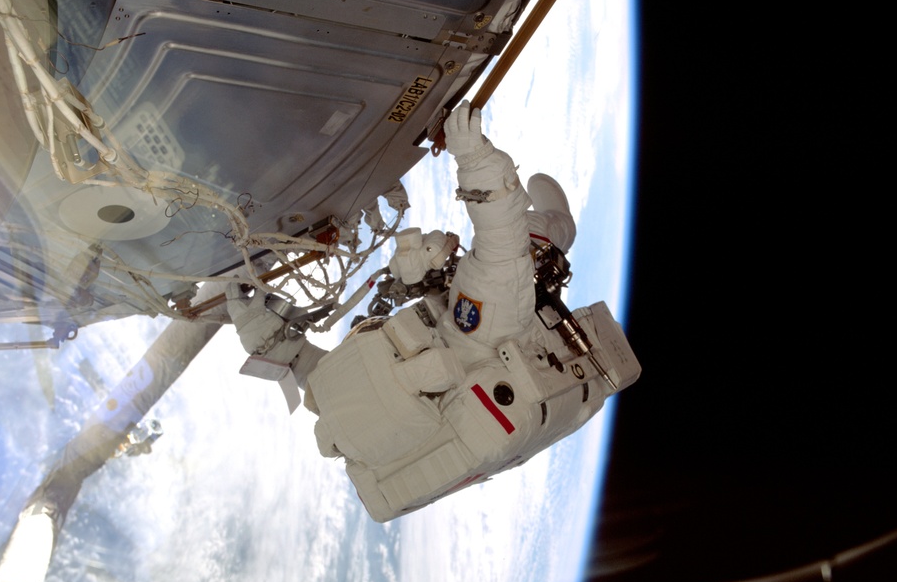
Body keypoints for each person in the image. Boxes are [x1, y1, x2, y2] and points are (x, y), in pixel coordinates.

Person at [227, 102, 639, 521]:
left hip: (414, 399)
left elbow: (502, 241)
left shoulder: (487, 316)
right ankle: (554, 228)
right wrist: (474, 161)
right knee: (540, 235)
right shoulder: (491, 317)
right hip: (412, 406)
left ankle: (277, 347)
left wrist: (265, 338)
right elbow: (504, 244)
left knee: (383, 374)